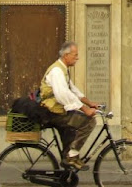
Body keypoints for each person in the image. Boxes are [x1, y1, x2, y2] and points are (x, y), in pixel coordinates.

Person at [40, 41, 99, 170]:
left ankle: (68, 165)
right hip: (52, 112)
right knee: (89, 122)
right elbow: (63, 94)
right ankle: (72, 156)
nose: (77, 58)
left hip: (57, 110)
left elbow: (73, 90)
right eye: (75, 55)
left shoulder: (63, 69)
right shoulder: (57, 70)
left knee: (71, 133)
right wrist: (85, 109)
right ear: (66, 55)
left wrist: (90, 103)